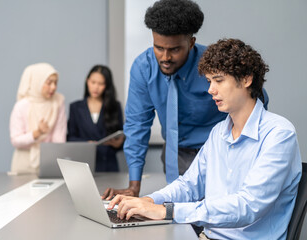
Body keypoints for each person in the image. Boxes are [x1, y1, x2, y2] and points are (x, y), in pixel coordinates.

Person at [107, 38, 302, 240]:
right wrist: (149, 200)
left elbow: (248, 206)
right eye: (209, 81)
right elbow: (189, 186)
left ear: (246, 79)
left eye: (218, 80)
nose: (210, 90)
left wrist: (167, 211)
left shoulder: (279, 134)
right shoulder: (219, 132)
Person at [102, 0, 269, 199]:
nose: (165, 57)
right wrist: (134, 186)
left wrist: (242, 150)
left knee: (221, 215)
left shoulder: (213, 65)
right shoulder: (143, 68)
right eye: (158, 47)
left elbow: (255, 100)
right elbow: (137, 126)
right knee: (178, 218)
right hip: (175, 156)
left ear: (190, 43)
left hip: (217, 154)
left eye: (174, 49)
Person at [9, 63, 67, 174]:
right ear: (37, 82)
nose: (53, 87)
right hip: (24, 163)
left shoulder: (58, 102)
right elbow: (15, 140)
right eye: (49, 83)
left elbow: (59, 139)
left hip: (49, 162)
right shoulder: (22, 105)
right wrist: (37, 133)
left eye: (56, 82)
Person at [67, 65, 124, 172]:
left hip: (109, 164)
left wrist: (119, 144)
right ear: (87, 81)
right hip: (83, 164)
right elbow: (70, 138)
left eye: (101, 84)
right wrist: (87, 143)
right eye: (93, 82)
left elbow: (121, 136)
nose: (96, 87)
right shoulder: (75, 107)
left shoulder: (115, 106)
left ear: (106, 86)